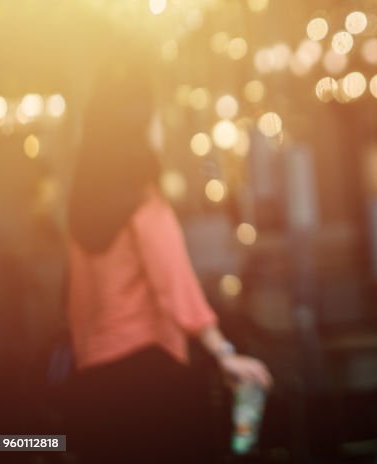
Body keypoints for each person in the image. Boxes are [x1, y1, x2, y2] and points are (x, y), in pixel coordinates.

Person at [65, 60, 272, 463]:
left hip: (94, 383)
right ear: (138, 128)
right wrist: (223, 351)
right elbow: (174, 283)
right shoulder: (145, 203)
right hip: (149, 380)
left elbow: (77, 304)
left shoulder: (80, 213)